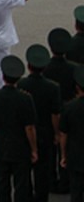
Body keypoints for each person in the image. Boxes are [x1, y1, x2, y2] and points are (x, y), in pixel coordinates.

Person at [0, 55, 38, 202]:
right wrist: (34, 149)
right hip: (20, 147)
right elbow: (29, 128)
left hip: (1, 145)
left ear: (3, 76)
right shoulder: (25, 98)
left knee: (1, 183)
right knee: (21, 184)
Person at [19, 45, 62, 202]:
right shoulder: (52, 87)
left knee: (24, 168)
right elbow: (54, 114)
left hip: (25, 132)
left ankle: (27, 195)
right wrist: (57, 133)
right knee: (42, 168)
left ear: (28, 66)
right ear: (44, 67)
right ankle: (41, 197)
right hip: (45, 132)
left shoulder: (21, 85)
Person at [59, 66, 84, 202]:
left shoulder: (69, 107)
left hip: (75, 155)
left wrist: (63, 155)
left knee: (76, 191)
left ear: (77, 88)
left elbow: (64, 134)